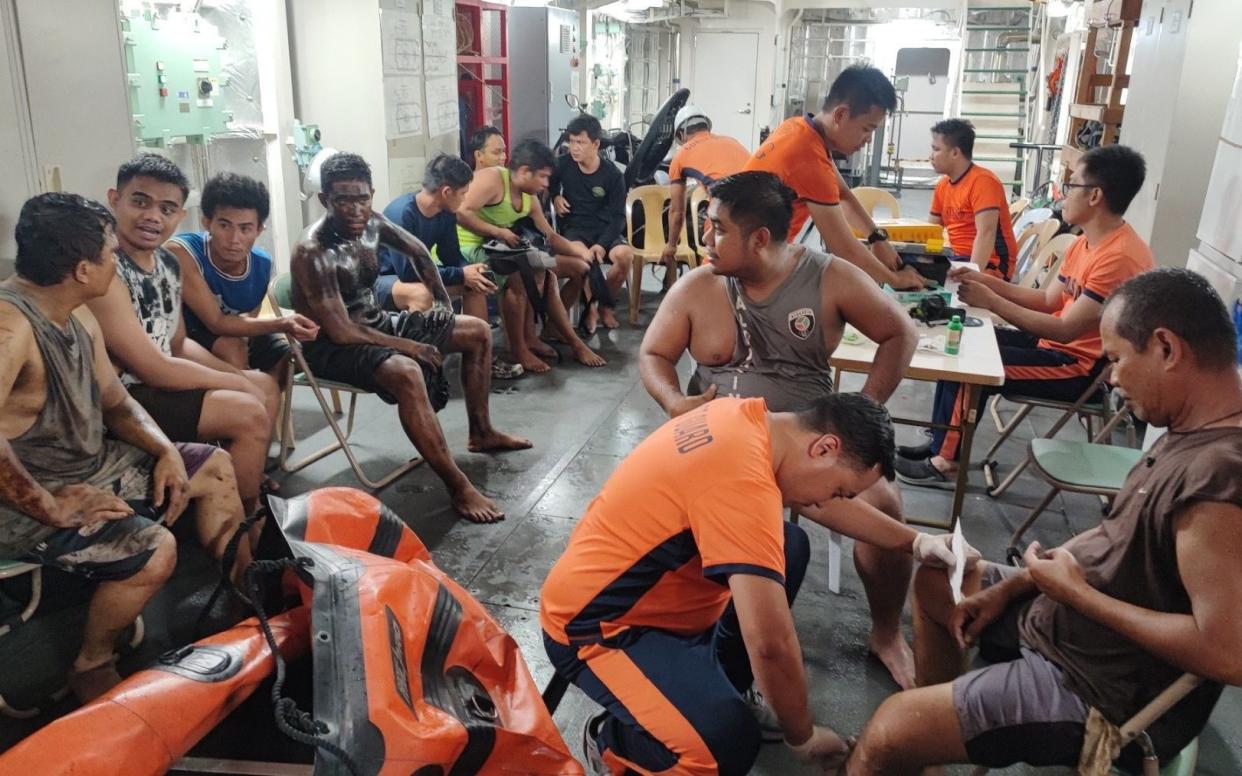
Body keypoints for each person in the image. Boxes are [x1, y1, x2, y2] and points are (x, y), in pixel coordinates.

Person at [848, 268, 1242, 775]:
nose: (1112, 377)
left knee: (886, 730)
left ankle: (917, 735)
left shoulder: (1219, 478)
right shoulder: (1189, 427)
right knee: (936, 577)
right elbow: (1116, 534)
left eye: (1118, 358)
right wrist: (1017, 587)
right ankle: (935, 743)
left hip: (1101, 690)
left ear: (1166, 348)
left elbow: (1227, 652)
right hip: (1069, 624)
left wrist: (1078, 595)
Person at [541, 394, 972, 776]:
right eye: (842, 490)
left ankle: (713, 690)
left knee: (790, 545)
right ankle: (618, 743)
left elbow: (821, 504)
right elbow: (771, 642)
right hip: (598, 628)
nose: (828, 502)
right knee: (723, 746)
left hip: (660, 599)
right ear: (824, 447)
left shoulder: (749, 422)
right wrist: (800, 735)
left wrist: (915, 542)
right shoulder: (739, 477)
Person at [641, 171, 925, 688]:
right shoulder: (699, 285)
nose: (704, 239)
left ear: (760, 239)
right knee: (723, 529)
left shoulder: (829, 277)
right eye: (705, 226)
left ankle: (887, 632)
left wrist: (862, 410)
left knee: (883, 502)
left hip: (805, 444)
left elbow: (899, 332)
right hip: (719, 448)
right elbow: (654, 354)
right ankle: (717, 651)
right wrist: (674, 401)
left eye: (717, 228)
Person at [0, 193, 252, 704]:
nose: (117, 259)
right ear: (82, 269)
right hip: (24, 501)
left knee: (215, 466)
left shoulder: (74, 311)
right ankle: (92, 663)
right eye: (109, 252)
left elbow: (116, 402)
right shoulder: (12, 327)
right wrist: (50, 507)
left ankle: (248, 599)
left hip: (89, 467)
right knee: (154, 551)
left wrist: (165, 450)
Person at [290, 152, 531, 524]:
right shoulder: (314, 250)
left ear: (371, 194)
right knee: (406, 371)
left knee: (477, 331)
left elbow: (418, 252)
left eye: (362, 198)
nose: (355, 209)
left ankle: (481, 431)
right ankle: (457, 484)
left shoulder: (372, 222)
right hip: (332, 346)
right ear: (325, 200)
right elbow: (339, 330)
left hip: (375, 324)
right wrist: (411, 345)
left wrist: (440, 304)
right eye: (343, 200)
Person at [897, 145, 1154, 487]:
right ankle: (939, 439)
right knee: (961, 345)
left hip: (1075, 367)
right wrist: (982, 279)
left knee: (973, 370)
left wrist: (992, 301)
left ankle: (946, 461)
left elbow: (1064, 330)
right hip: (1051, 344)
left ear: (1095, 196)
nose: (1063, 194)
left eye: (1071, 185)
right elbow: (1048, 300)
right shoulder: (1083, 242)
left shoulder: (1119, 257)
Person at [87, 154, 278, 516]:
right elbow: (153, 367)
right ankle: (247, 520)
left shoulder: (167, 264)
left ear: (180, 215)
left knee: (263, 384)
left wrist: (237, 377)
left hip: (158, 381)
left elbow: (177, 344)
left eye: (167, 208)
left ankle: (240, 486)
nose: (152, 216)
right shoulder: (105, 268)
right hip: (123, 397)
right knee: (248, 411)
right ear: (115, 199)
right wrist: (234, 383)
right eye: (140, 202)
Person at [744, 64, 926, 290]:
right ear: (840, 114)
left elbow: (842, 195)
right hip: (744, 274)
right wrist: (896, 280)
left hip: (752, 258)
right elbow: (843, 247)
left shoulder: (799, 128)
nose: (868, 139)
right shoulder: (807, 157)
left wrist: (877, 238)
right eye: (866, 129)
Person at [456, 139, 606, 373]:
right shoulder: (493, 179)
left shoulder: (530, 197)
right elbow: (461, 213)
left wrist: (583, 252)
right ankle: (518, 348)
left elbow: (551, 237)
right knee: (518, 277)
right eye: (543, 177)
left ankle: (537, 338)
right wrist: (498, 232)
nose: (546, 184)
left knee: (554, 273)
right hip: (468, 247)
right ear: (525, 171)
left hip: (503, 249)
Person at [166, 172, 319, 383]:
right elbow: (216, 323)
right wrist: (283, 323)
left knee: (295, 357)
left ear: (259, 230)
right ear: (207, 223)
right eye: (224, 225)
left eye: (245, 228)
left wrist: (249, 338)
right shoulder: (182, 253)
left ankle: (267, 405)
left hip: (229, 331)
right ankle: (248, 399)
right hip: (187, 336)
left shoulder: (262, 264)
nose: (234, 239)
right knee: (232, 350)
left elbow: (248, 320)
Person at [375, 154, 497, 322]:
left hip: (419, 273)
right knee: (421, 293)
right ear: (446, 192)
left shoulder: (446, 213)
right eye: (463, 193)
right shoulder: (403, 213)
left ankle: (478, 344)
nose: (464, 199)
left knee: (475, 286)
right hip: (384, 279)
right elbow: (407, 273)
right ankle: (421, 347)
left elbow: (451, 256)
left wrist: (472, 272)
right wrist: (461, 274)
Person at [551, 114, 634, 333]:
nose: (574, 148)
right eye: (572, 142)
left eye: (581, 142)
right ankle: (592, 308)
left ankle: (603, 305)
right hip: (574, 229)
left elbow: (618, 216)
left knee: (625, 257)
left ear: (596, 144)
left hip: (605, 229)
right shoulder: (563, 164)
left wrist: (603, 244)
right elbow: (547, 183)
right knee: (585, 258)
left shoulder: (613, 175)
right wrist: (555, 197)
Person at [661, 105, 750, 281]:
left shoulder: (681, 155)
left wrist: (671, 246)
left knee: (710, 269)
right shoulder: (731, 141)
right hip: (761, 202)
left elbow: (677, 212)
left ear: (680, 135)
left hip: (726, 205)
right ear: (707, 126)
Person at [926, 119, 1019, 279]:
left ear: (955, 152)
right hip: (956, 259)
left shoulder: (983, 182)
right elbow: (933, 232)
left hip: (990, 265)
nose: (931, 156)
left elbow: (986, 234)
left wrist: (971, 276)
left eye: (936, 149)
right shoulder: (942, 185)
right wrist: (927, 261)